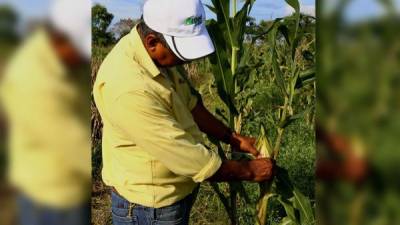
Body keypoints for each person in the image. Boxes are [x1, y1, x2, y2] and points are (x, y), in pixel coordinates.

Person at [93, 0, 275, 224]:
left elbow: (188, 103)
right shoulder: (129, 88)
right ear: (152, 42)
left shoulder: (152, 55)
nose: (186, 60)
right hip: (150, 208)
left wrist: (233, 138)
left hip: (171, 196)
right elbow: (187, 156)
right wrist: (249, 171)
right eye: (181, 53)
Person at [0, 0, 91, 225]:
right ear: (59, 37)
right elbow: (73, 145)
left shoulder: (66, 60)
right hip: (51, 196)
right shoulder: (33, 79)